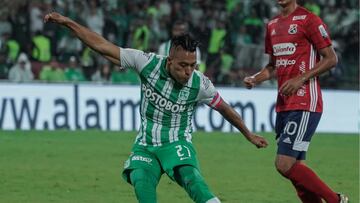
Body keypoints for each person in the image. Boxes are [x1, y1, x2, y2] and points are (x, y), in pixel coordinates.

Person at [44, 12, 268, 203]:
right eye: (182, 66)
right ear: (169, 61)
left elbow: (225, 109)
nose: (188, 71)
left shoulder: (200, 83)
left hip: (176, 142)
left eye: (192, 66)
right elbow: (103, 47)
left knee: (191, 177)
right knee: (141, 183)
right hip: (146, 145)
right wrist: (67, 23)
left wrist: (248, 134)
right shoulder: (147, 63)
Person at [243, 1, 348, 203]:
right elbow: (273, 66)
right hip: (283, 104)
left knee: (284, 164)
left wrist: (301, 78)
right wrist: (255, 78)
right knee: (296, 170)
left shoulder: (309, 20)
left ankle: (336, 200)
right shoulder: (272, 25)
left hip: (305, 101)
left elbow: (331, 58)